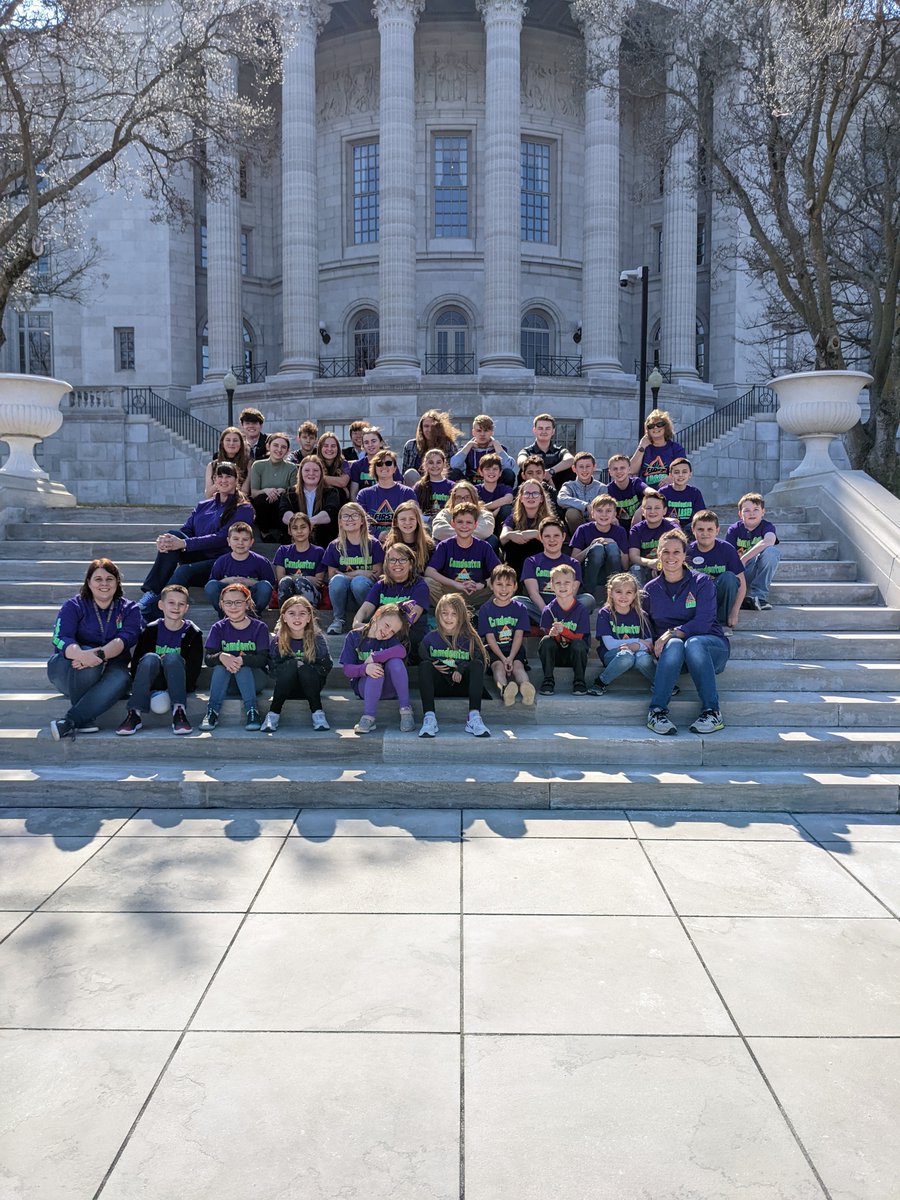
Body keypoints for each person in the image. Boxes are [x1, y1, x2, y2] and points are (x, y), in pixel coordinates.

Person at [139, 462, 255, 618]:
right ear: (214, 480)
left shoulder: (243, 509)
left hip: (221, 562)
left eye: (228, 476)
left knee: (184, 570)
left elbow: (222, 538)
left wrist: (185, 543)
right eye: (219, 476)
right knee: (173, 535)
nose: (223, 480)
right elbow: (186, 530)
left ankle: (153, 611)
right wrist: (168, 541)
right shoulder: (203, 506)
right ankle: (151, 593)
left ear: (236, 481)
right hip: (198, 554)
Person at [643, 528, 730, 736]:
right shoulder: (650, 589)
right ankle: (657, 712)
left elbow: (704, 622)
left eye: (676, 552)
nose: (670, 557)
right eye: (665, 552)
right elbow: (647, 627)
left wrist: (673, 632)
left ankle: (712, 711)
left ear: (685, 555)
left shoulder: (702, 582)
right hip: (673, 657)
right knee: (674, 644)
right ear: (658, 554)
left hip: (710, 650)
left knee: (694, 643)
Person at [47, 558, 143, 740]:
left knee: (123, 679)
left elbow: (125, 639)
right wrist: (83, 655)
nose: (104, 584)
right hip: (67, 670)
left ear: (117, 582)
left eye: (109, 579)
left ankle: (70, 721)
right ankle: (84, 716)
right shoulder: (73, 605)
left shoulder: (130, 609)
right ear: (89, 582)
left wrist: (99, 655)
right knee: (89, 660)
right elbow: (60, 638)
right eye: (98, 579)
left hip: (112, 670)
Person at [116, 584, 203, 735]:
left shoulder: (193, 633)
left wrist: (169, 663)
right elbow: (137, 666)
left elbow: (193, 671)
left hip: (179, 682)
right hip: (152, 682)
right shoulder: (150, 630)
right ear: (161, 605)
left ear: (186, 608)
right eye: (171, 602)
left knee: (173, 658)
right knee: (150, 658)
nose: (176, 607)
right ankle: (134, 714)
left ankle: (179, 712)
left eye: (181, 604)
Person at [418, 593, 491, 738]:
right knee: (424, 666)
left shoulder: (469, 638)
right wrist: (434, 664)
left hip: (464, 685)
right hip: (440, 685)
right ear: (438, 614)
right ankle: (429, 718)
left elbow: (479, 660)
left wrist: (461, 669)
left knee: (477, 664)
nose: (448, 618)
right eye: (444, 613)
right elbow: (421, 655)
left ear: (461, 616)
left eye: (453, 614)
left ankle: (474, 717)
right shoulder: (430, 638)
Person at [200, 584, 270, 731]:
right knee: (222, 664)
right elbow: (208, 659)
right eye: (228, 602)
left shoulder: (259, 627)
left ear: (247, 603)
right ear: (222, 605)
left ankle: (252, 711)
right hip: (227, 683)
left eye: (238, 602)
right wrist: (221, 656)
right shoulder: (218, 628)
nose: (233, 606)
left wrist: (242, 660)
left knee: (241, 666)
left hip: (255, 680)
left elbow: (264, 659)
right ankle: (212, 711)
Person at [340, 603, 414, 734]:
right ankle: (369, 717)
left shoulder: (390, 640)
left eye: (392, 631)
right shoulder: (354, 636)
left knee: (396, 662)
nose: (387, 632)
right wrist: (365, 669)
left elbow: (401, 651)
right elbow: (347, 669)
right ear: (377, 615)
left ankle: (406, 710)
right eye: (386, 626)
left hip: (388, 689)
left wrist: (375, 656)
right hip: (365, 687)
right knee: (375, 670)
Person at [261, 596, 332, 732]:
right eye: (292, 613)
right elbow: (273, 669)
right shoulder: (277, 640)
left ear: (309, 618)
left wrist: (304, 667)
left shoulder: (317, 639)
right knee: (292, 665)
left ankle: (318, 714)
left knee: (302, 667)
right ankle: (273, 714)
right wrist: (292, 667)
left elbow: (326, 666)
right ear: (284, 617)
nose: (297, 618)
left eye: (302, 614)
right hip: (286, 688)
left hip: (311, 687)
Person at [353, 542, 430, 660]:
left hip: (408, 637)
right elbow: (365, 609)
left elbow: (411, 618)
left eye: (402, 559)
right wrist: (357, 623)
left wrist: (383, 631)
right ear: (387, 564)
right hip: (384, 635)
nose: (397, 564)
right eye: (392, 560)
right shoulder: (381, 585)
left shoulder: (420, 585)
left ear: (410, 564)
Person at [588, 573, 656, 697]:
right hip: (613, 656)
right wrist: (637, 642)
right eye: (619, 591)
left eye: (629, 592)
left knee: (644, 658)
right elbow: (609, 645)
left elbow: (649, 644)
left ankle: (661, 683)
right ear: (611, 593)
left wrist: (634, 647)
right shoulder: (605, 613)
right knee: (626, 656)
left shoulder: (641, 615)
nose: (623, 596)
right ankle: (600, 682)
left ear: (635, 594)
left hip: (637, 655)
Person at [322, 501, 385, 634]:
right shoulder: (335, 546)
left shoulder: (373, 544)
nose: (350, 519)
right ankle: (339, 620)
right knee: (339, 580)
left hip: (365, 595)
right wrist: (361, 572)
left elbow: (377, 574)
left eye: (355, 515)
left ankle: (366, 620)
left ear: (362, 520)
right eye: (345, 516)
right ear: (340, 522)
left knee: (359, 582)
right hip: (344, 597)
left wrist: (350, 576)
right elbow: (333, 576)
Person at [478, 564, 535, 706]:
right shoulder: (485, 609)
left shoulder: (520, 608)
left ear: (515, 587)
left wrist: (510, 657)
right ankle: (504, 690)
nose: (504, 589)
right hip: (494, 649)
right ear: (491, 585)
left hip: (514, 649)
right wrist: (503, 659)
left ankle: (526, 687)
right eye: (499, 584)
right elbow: (489, 637)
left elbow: (518, 636)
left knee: (518, 666)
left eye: (508, 585)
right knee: (498, 667)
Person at [425, 501, 500, 609]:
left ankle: (480, 614)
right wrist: (455, 584)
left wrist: (481, 584)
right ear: (453, 524)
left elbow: (499, 573)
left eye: (469, 522)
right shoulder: (445, 545)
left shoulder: (484, 546)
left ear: (475, 525)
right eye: (460, 522)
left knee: (506, 583)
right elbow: (429, 571)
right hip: (451, 593)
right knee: (426, 583)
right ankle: (448, 611)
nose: (464, 526)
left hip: (477, 591)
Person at [520, 516, 594, 624]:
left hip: (565, 608)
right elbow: (533, 593)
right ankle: (556, 624)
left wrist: (560, 612)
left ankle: (553, 624)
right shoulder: (531, 561)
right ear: (541, 538)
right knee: (517, 601)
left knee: (588, 600)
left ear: (563, 537)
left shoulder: (573, 563)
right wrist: (547, 612)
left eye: (556, 535)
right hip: (540, 608)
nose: (552, 540)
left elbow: (572, 594)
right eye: (547, 536)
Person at [537, 563, 591, 695]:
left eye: (567, 582)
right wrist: (553, 634)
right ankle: (548, 680)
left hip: (575, 655)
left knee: (579, 644)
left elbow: (579, 637)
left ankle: (579, 681)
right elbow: (546, 635)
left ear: (574, 585)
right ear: (552, 585)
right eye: (558, 582)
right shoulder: (548, 610)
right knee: (546, 641)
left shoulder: (581, 609)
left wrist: (564, 631)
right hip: (556, 655)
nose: (562, 586)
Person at [688, 510, 746, 628]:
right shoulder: (687, 552)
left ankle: (720, 624)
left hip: (719, 595)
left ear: (717, 530)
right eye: (700, 529)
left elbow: (742, 584)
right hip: (696, 598)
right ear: (693, 530)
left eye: (710, 529)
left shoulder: (727, 549)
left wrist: (734, 612)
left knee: (729, 578)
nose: (705, 533)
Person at [204, 521, 276, 614]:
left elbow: (270, 587)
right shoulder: (221, 562)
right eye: (236, 539)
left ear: (251, 542)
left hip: (251, 601)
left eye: (245, 539)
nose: (240, 543)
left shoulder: (261, 562)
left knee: (265, 586)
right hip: (228, 602)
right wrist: (230, 580)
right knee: (211, 585)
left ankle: (253, 615)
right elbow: (212, 585)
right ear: (228, 541)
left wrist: (246, 581)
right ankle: (225, 614)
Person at [726, 492, 781, 611]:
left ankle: (759, 596)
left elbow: (770, 540)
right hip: (740, 573)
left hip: (757, 569)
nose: (751, 513)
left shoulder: (767, 526)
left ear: (763, 512)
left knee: (772, 552)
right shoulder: (734, 529)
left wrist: (744, 558)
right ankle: (740, 595)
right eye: (746, 510)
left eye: (756, 509)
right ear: (740, 514)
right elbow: (728, 554)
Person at [570, 494, 630, 601]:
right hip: (590, 574)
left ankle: (613, 593)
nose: (604, 514)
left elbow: (625, 565)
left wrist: (614, 544)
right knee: (597, 548)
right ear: (592, 514)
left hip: (612, 572)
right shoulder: (583, 530)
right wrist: (590, 547)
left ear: (615, 514)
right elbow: (573, 561)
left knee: (612, 548)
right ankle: (588, 592)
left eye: (608, 511)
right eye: (599, 511)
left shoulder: (620, 531)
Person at [278, 454, 343, 547]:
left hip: (323, 543)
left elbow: (330, 513)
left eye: (316, 470)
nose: (311, 473)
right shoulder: (289, 492)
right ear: (300, 473)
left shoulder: (331, 492)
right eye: (307, 470)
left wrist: (307, 523)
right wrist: (300, 526)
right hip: (294, 543)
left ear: (321, 473)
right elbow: (284, 514)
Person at [356, 448, 418, 538]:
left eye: (388, 463)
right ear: (374, 469)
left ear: (395, 468)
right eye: (379, 464)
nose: (384, 466)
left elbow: (414, 519)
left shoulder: (407, 493)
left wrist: (394, 535)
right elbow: (360, 520)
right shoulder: (364, 494)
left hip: (401, 541)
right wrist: (378, 534)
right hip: (372, 542)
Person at [499, 482, 554, 578]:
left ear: (541, 498)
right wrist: (510, 535)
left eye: (535, 493)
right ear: (521, 498)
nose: (531, 497)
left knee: (536, 542)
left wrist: (536, 534)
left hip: (541, 562)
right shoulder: (513, 518)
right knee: (512, 543)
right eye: (527, 493)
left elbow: (554, 541)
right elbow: (502, 538)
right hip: (517, 561)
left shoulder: (549, 519)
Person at [249, 431, 295, 540]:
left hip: (281, 507)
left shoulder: (292, 468)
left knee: (286, 500)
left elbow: (295, 491)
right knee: (260, 499)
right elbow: (254, 492)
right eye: (275, 445)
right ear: (268, 446)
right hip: (264, 510)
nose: (279, 449)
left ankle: (285, 533)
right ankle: (264, 533)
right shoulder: (258, 465)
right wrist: (266, 490)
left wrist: (283, 490)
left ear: (287, 451)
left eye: (283, 447)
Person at [628, 490, 680, 584]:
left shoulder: (671, 528)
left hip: (666, 564)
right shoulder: (636, 530)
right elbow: (633, 556)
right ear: (643, 511)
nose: (652, 511)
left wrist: (661, 564)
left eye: (657, 508)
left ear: (664, 511)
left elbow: (679, 552)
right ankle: (641, 598)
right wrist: (649, 563)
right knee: (635, 568)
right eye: (648, 508)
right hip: (644, 565)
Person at [274, 513, 326, 606]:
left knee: (301, 583)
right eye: (295, 528)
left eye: (303, 527)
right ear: (289, 531)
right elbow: (280, 579)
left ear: (310, 529)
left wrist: (300, 580)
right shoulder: (283, 550)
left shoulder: (319, 551)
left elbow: (318, 582)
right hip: (289, 592)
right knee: (286, 582)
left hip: (312, 594)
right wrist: (305, 578)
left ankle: (309, 615)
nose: (299, 531)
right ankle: (284, 616)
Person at [449, 414, 516, 484]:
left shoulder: (499, 448)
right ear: (473, 432)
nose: (482, 434)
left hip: (494, 485)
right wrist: (469, 445)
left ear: (492, 432)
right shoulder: (466, 448)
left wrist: (497, 446)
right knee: (453, 473)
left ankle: (505, 494)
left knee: (509, 473)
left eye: (486, 431)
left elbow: (508, 467)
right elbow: (454, 465)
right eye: (479, 431)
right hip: (471, 486)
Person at [401, 409, 462, 485]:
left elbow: (452, 470)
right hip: (419, 486)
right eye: (426, 426)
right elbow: (404, 474)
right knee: (410, 473)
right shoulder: (410, 446)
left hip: (441, 485)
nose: (430, 430)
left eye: (433, 426)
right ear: (421, 428)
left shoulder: (448, 445)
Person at [629, 409, 686, 487]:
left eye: (659, 424)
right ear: (647, 430)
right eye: (651, 426)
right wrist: (641, 446)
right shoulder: (644, 448)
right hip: (646, 494)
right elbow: (631, 470)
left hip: (668, 493)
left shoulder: (675, 448)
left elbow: (683, 469)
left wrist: (671, 478)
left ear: (666, 427)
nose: (655, 428)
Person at [517, 412, 575, 485]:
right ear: (534, 430)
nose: (544, 431)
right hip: (532, 488)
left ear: (553, 431)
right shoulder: (527, 451)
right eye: (540, 428)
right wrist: (541, 472)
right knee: (525, 469)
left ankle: (561, 495)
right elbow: (521, 461)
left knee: (570, 470)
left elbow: (571, 459)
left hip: (557, 486)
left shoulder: (559, 451)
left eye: (547, 428)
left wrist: (550, 472)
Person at [430, 480, 495, 543]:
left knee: (492, 539)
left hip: (476, 550)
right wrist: (463, 535)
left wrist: (462, 535)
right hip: (451, 549)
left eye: (467, 497)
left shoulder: (484, 514)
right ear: (453, 500)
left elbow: (484, 532)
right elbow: (438, 531)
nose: (463, 501)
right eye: (459, 497)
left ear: (474, 499)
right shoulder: (445, 513)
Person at [381, 501, 435, 574]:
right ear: (396, 522)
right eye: (403, 519)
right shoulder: (389, 545)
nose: (407, 522)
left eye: (412, 519)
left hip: (421, 583)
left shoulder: (429, 546)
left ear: (417, 521)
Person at [557, 451, 603, 535]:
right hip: (575, 526)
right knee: (571, 513)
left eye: (588, 466)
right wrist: (585, 505)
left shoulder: (601, 487)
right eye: (581, 467)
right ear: (574, 469)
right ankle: (578, 540)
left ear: (594, 467)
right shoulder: (569, 486)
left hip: (596, 523)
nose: (584, 470)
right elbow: (561, 499)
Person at [349, 427, 402, 497]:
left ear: (381, 443)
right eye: (366, 442)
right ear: (363, 446)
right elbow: (353, 494)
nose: (370, 445)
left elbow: (398, 488)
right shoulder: (357, 466)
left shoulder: (389, 463)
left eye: (373, 441)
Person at [659, 458, 706, 530]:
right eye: (677, 472)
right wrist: (667, 520)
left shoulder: (695, 493)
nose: (680, 475)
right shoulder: (663, 492)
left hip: (689, 530)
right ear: (670, 475)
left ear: (690, 474)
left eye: (684, 472)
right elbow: (656, 514)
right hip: (668, 528)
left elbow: (701, 515)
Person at [414, 448, 455, 529]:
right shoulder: (419, 486)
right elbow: (413, 510)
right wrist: (428, 519)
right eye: (431, 463)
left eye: (438, 462)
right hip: (425, 525)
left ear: (444, 464)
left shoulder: (452, 486)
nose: (435, 466)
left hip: (446, 525)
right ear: (425, 465)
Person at [606, 453, 648, 530]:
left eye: (622, 468)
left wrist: (640, 510)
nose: (619, 471)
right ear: (610, 472)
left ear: (629, 469)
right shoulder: (608, 490)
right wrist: (611, 518)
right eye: (615, 469)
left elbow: (654, 494)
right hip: (618, 529)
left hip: (639, 528)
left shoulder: (636, 483)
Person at [203, 426, 249, 497]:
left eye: (235, 440)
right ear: (222, 443)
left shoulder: (248, 463)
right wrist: (222, 483)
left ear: (241, 444)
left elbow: (245, 492)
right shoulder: (212, 465)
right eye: (228, 440)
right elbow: (208, 494)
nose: (231, 443)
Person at [475, 453, 515, 533]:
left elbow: (508, 499)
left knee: (507, 508)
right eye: (487, 469)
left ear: (500, 473)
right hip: (480, 529)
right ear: (481, 472)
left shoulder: (505, 488)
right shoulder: (474, 490)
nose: (491, 472)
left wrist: (482, 508)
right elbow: (472, 510)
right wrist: (493, 512)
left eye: (495, 469)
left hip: (499, 526)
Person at [316, 431, 352, 497]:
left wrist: (319, 479)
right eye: (326, 446)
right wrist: (337, 483)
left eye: (333, 446)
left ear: (338, 448)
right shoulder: (314, 463)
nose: (329, 449)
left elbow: (343, 482)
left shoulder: (344, 463)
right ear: (320, 448)